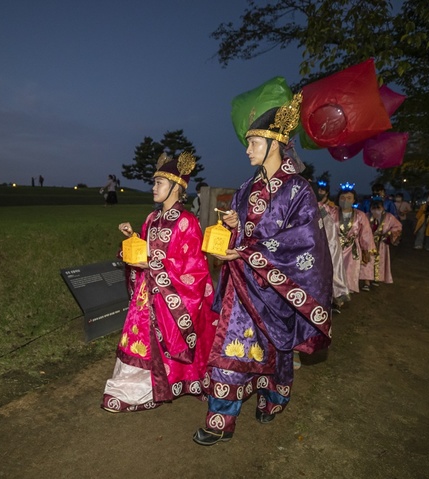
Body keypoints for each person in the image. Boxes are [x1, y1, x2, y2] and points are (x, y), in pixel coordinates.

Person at [192, 93, 332, 446]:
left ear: (276, 144)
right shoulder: (246, 188)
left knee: (275, 348)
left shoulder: (299, 190)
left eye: (253, 142)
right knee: (232, 346)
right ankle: (219, 418)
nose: (247, 150)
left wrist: (248, 250)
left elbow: (304, 242)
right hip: (241, 284)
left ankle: (273, 398)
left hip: (277, 286)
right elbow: (243, 232)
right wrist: (234, 224)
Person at [101, 152, 217, 413]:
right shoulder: (151, 219)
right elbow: (144, 248)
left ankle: (157, 385)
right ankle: (132, 385)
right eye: (154, 183)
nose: (153, 188)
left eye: (159, 184)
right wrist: (132, 238)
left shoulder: (188, 222)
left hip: (168, 296)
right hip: (145, 295)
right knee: (138, 338)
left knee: (165, 340)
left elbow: (193, 268)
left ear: (176, 187)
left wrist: (153, 264)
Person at [316, 179, 349, 311]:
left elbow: (331, 229)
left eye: (322, 190)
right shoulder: (311, 206)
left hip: (331, 244)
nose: (320, 192)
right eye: (318, 190)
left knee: (332, 271)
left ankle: (335, 299)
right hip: (316, 246)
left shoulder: (331, 209)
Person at [337, 184, 375, 293]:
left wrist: (366, 250)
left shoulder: (360, 215)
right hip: (334, 248)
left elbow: (366, 234)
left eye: (349, 198)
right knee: (335, 270)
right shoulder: (332, 212)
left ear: (354, 200)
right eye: (342, 198)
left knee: (350, 270)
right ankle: (335, 291)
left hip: (352, 248)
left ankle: (346, 291)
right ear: (338, 199)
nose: (345, 200)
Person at [360, 197, 402, 290]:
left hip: (381, 244)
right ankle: (366, 282)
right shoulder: (366, 216)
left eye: (378, 208)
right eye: (373, 208)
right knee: (367, 261)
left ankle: (376, 278)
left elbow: (398, 226)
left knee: (380, 261)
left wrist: (388, 233)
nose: (375, 211)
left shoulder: (389, 217)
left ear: (383, 208)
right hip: (368, 243)